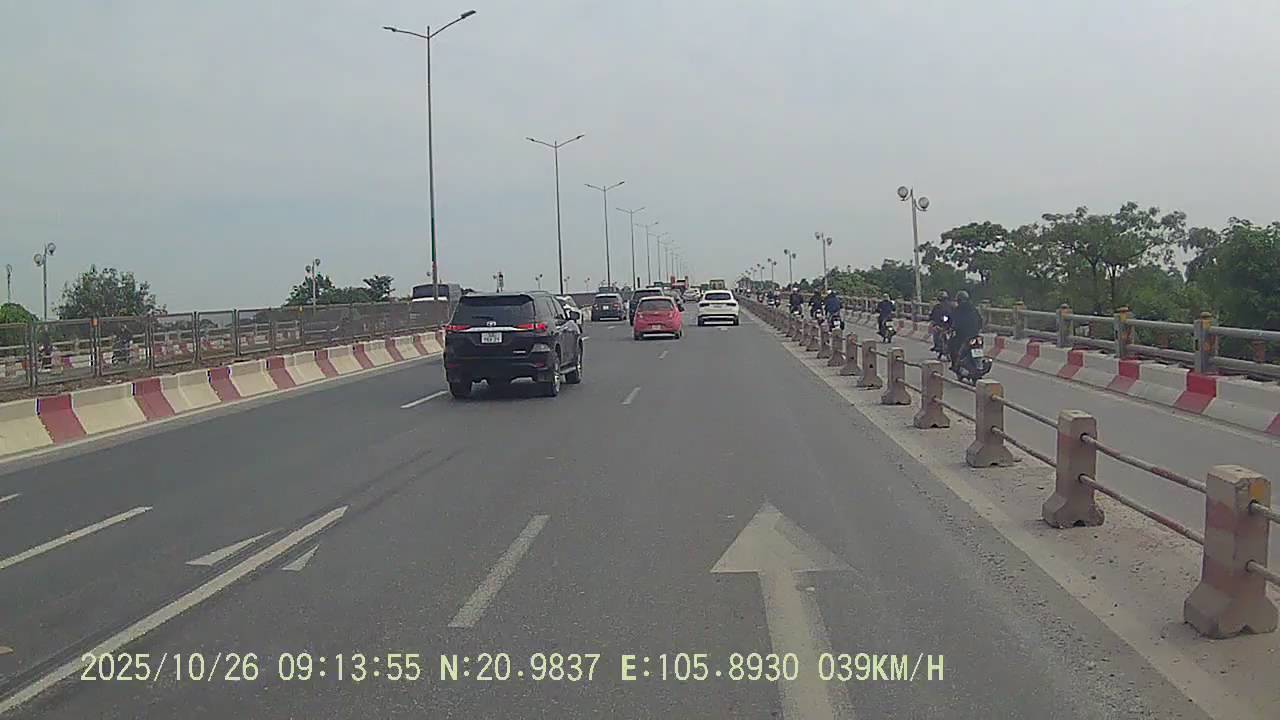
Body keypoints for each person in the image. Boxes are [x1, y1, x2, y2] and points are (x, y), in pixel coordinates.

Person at [948, 290, 983, 371]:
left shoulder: (958, 310)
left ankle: (954, 364)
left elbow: (954, 322)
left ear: (959, 300)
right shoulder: (973, 309)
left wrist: (952, 327)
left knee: (952, 344)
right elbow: (980, 320)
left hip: (962, 335)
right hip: (975, 335)